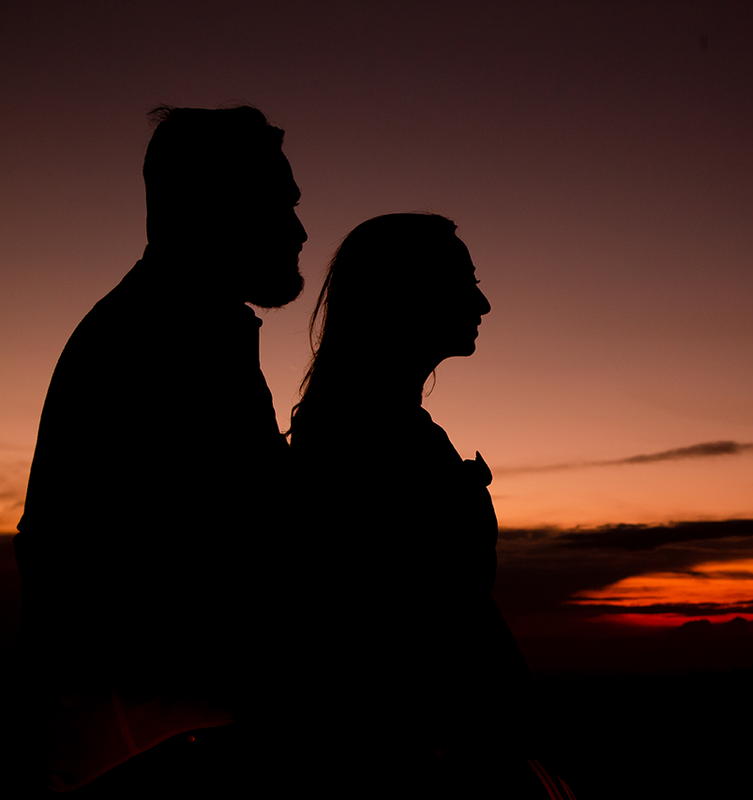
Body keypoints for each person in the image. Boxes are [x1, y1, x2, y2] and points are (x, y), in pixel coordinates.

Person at [14, 105, 307, 792]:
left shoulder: (183, 332)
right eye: (278, 206)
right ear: (212, 209)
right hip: (154, 751)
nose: (297, 230)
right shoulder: (162, 345)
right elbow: (225, 567)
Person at [289, 214, 568, 796]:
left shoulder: (385, 427)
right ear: (405, 293)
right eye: (465, 282)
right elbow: (400, 623)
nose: (484, 303)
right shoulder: (367, 436)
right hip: (424, 763)